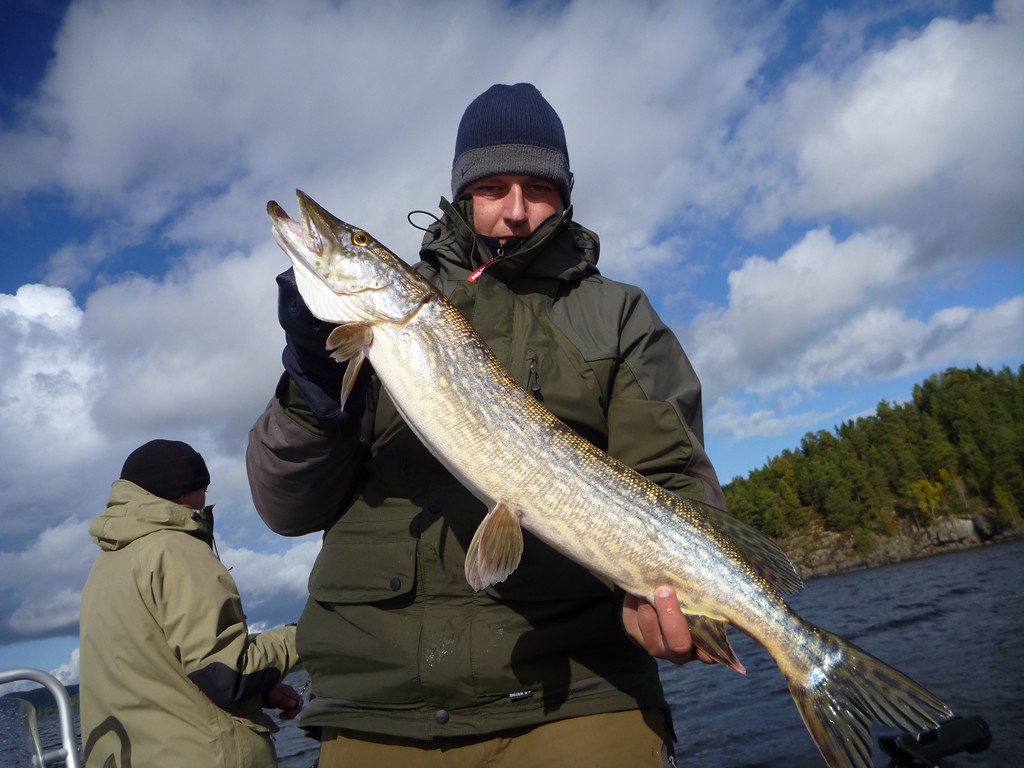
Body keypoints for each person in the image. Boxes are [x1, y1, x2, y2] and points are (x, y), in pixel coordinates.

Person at [247, 83, 725, 767]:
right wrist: (312, 386)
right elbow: (286, 509)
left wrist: (675, 598)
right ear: (462, 194)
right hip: (377, 701)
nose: (516, 210)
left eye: (539, 188)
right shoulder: (390, 324)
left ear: (565, 197)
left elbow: (671, 477)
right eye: (493, 187)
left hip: (579, 690)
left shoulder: (617, 315)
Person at [80, 439, 301, 768]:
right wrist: (305, 635)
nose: (205, 501)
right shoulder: (175, 549)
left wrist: (261, 692)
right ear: (183, 493)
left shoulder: (106, 566)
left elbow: (159, 671)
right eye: (204, 490)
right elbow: (227, 674)